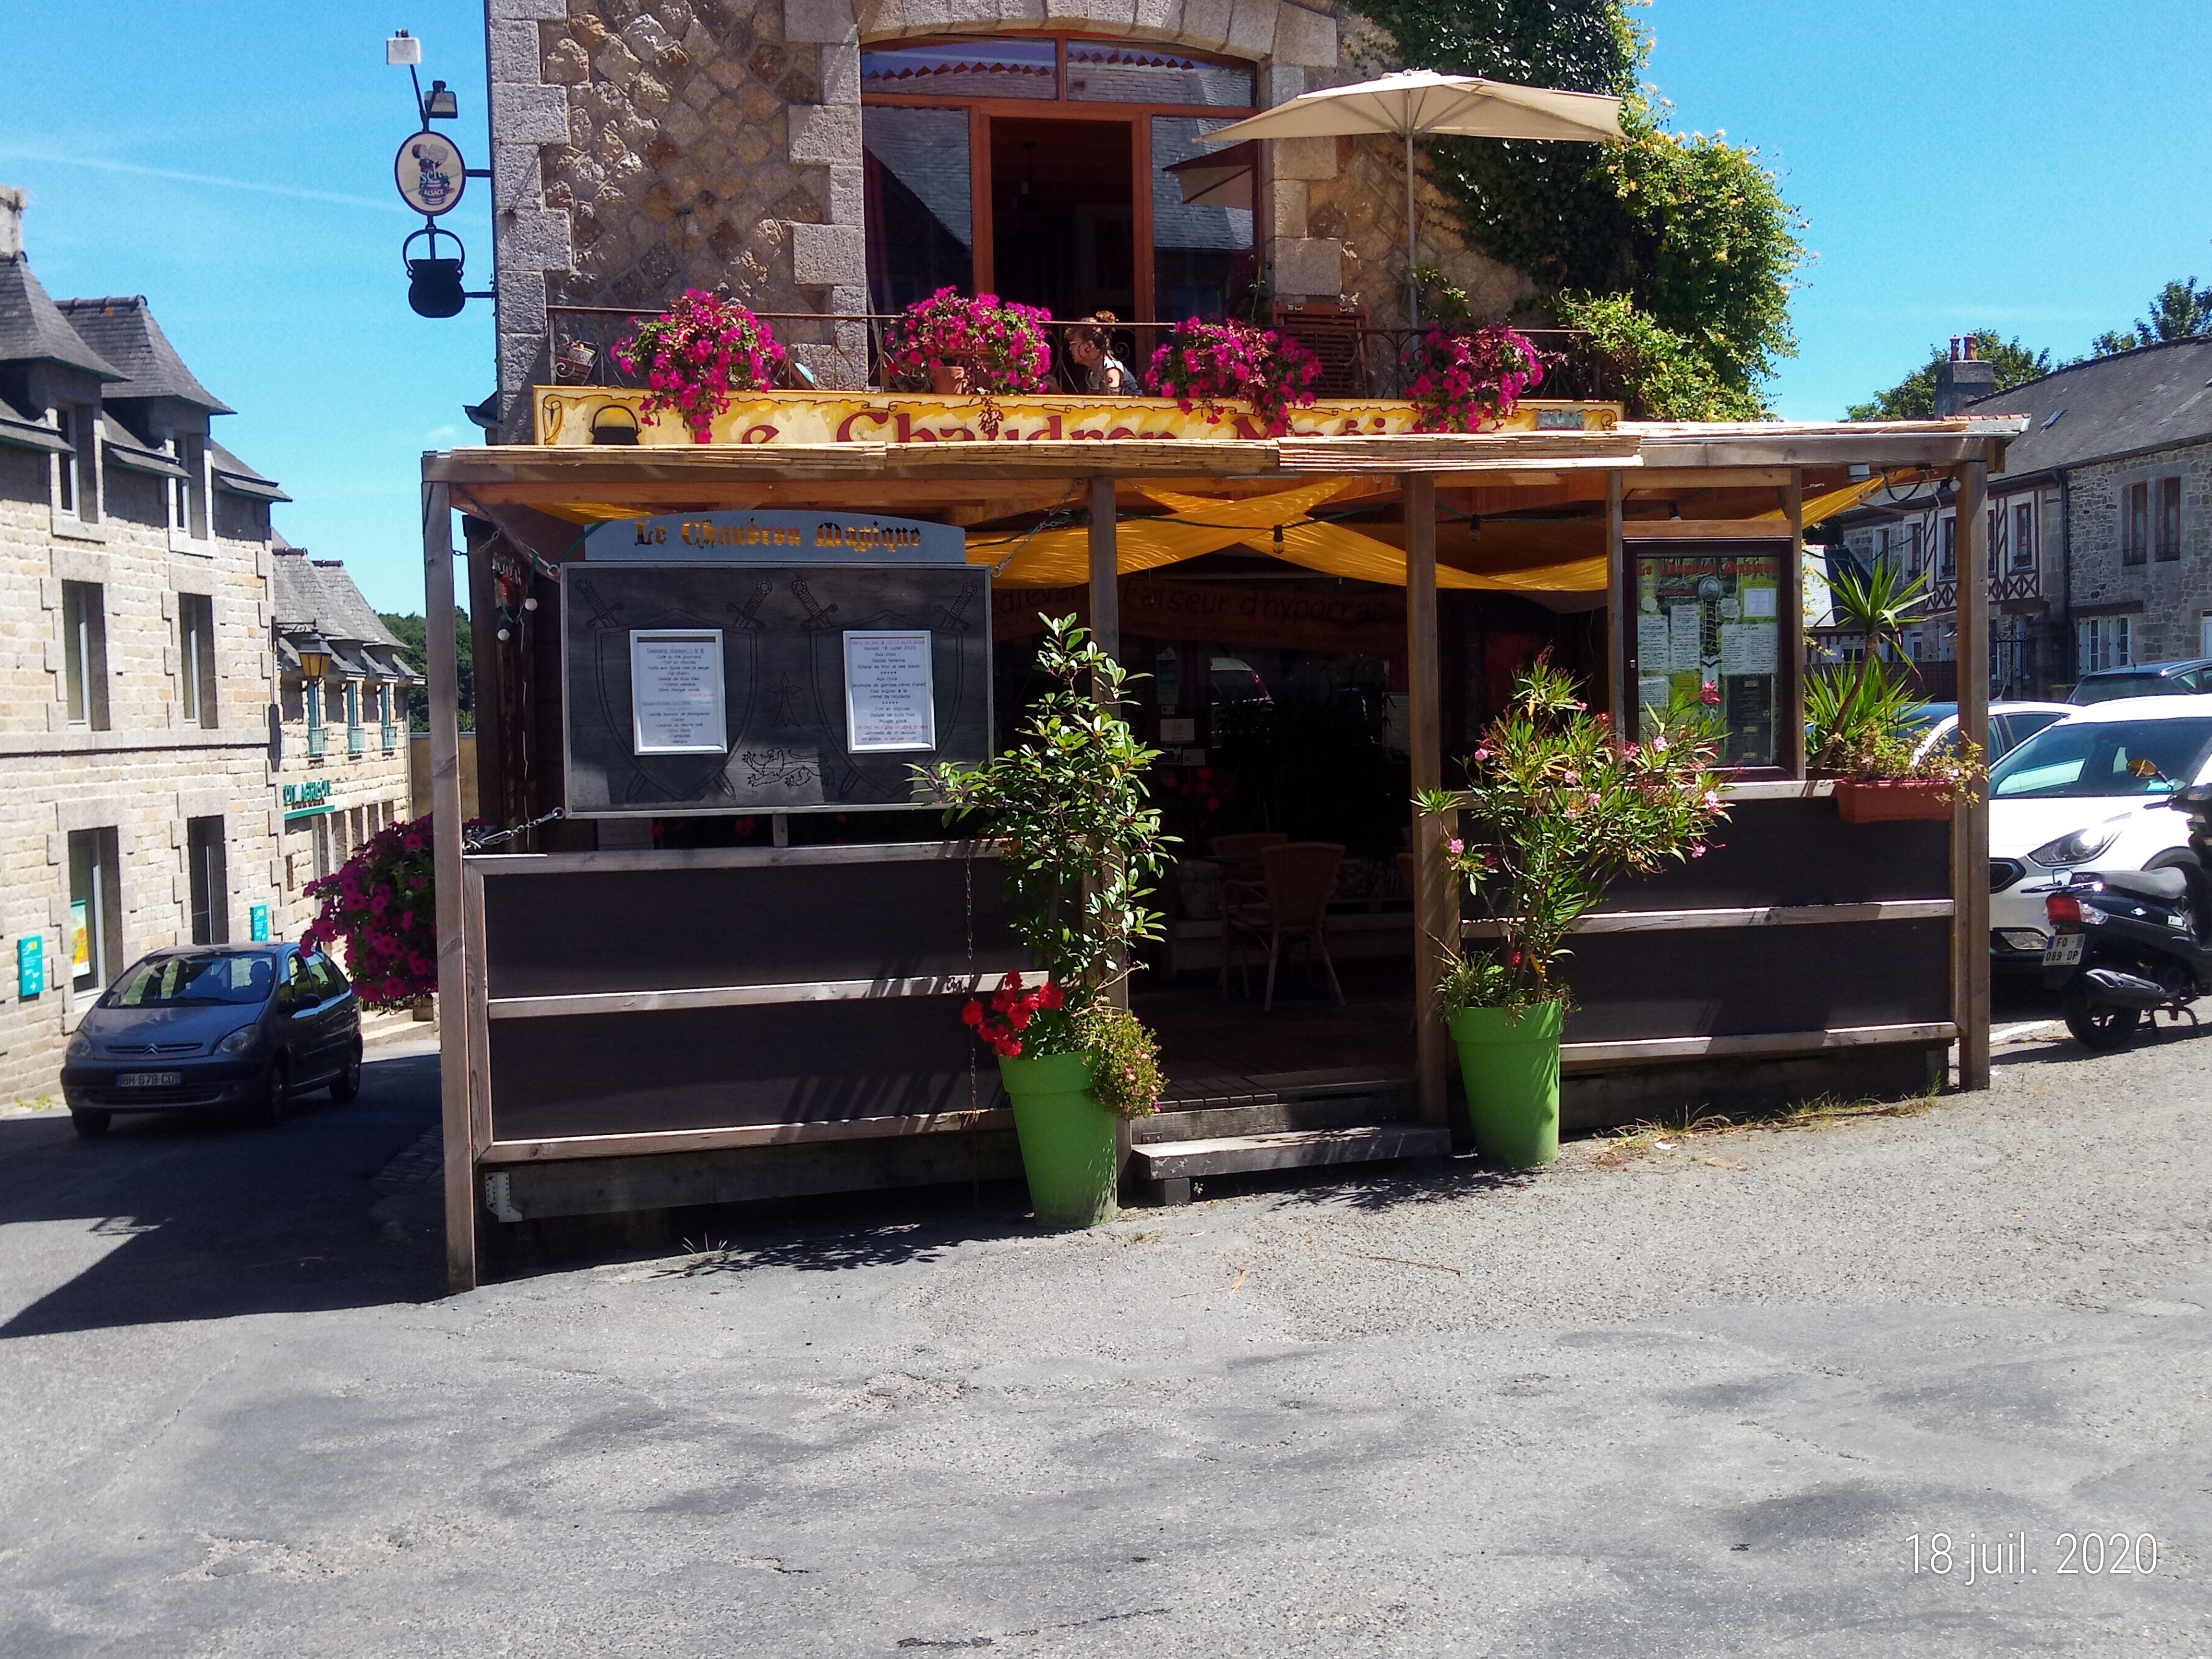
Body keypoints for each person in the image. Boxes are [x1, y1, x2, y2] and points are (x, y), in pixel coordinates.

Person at [1064, 313, 1133, 395]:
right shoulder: (1094, 374)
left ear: (1089, 346)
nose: (1070, 348)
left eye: (1073, 344)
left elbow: (1111, 403)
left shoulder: (1111, 370)